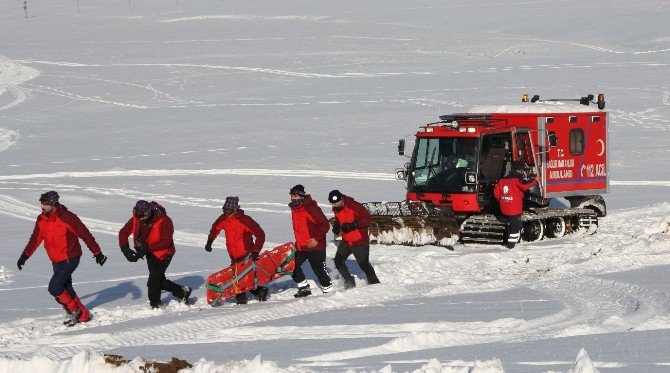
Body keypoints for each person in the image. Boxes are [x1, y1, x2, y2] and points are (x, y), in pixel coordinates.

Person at [17, 191, 107, 327]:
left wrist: (97, 252)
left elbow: (85, 235)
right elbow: (35, 239)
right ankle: (84, 316)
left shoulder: (68, 218)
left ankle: (74, 311)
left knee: (54, 287)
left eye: (45, 204)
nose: (42, 207)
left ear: (54, 204)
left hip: (70, 257)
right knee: (65, 287)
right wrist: (25, 256)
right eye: (41, 204)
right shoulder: (42, 219)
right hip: (55, 258)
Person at [119, 200, 191, 308]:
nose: (138, 218)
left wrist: (146, 249)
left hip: (164, 253)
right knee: (158, 280)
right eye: (137, 214)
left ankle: (155, 305)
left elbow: (165, 242)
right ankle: (183, 291)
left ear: (148, 213)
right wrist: (126, 250)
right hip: (150, 252)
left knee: (153, 281)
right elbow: (123, 233)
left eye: (141, 215)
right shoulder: (137, 219)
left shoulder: (165, 220)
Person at [205, 196, 269, 304]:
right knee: (240, 278)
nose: (226, 212)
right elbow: (215, 228)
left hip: (246, 255)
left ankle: (243, 299)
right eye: (224, 209)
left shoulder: (245, 220)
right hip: (233, 256)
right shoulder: (223, 219)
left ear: (235, 209)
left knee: (240, 279)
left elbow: (260, 234)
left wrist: (256, 251)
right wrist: (209, 241)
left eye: (228, 210)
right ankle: (259, 291)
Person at [329, 190, 380, 289]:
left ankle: (375, 284)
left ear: (341, 199)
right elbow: (338, 217)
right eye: (333, 203)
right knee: (338, 261)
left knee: (364, 265)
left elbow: (367, 218)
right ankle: (349, 280)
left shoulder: (354, 206)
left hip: (359, 241)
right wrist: (336, 225)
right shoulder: (337, 207)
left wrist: (352, 225)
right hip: (347, 240)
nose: (334, 205)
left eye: (336, 202)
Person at [288, 184, 332, 297]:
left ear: (302, 195)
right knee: (291, 266)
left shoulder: (311, 208)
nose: (293, 198)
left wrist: (316, 239)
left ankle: (328, 291)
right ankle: (304, 288)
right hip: (301, 246)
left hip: (315, 246)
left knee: (319, 270)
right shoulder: (295, 209)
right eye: (292, 196)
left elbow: (325, 225)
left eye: (296, 195)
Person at [493, 161, 538, 249]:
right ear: (520, 170)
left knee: (510, 224)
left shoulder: (502, 179)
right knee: (515, 229)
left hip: (504, 207)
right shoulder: (517, 179)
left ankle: (508, 238)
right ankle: (510, 246)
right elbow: (525, 186)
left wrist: (502, 199)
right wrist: (534, 180)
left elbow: (496, 193)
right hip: (514, 208)